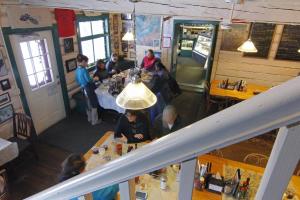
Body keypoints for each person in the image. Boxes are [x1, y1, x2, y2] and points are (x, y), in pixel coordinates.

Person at [75, 54, 101, 125]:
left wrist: (83, 83)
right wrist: (95, 78)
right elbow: (89, 80)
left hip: (83, 88)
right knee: (94, 103)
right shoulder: (84, 70)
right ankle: (95, 121)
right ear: (83, 61)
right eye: (86, 62)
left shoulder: (77, 70)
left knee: (87, 104)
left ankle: (89, 118)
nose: (87, 64)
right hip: (89, 88)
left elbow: (77, 80)